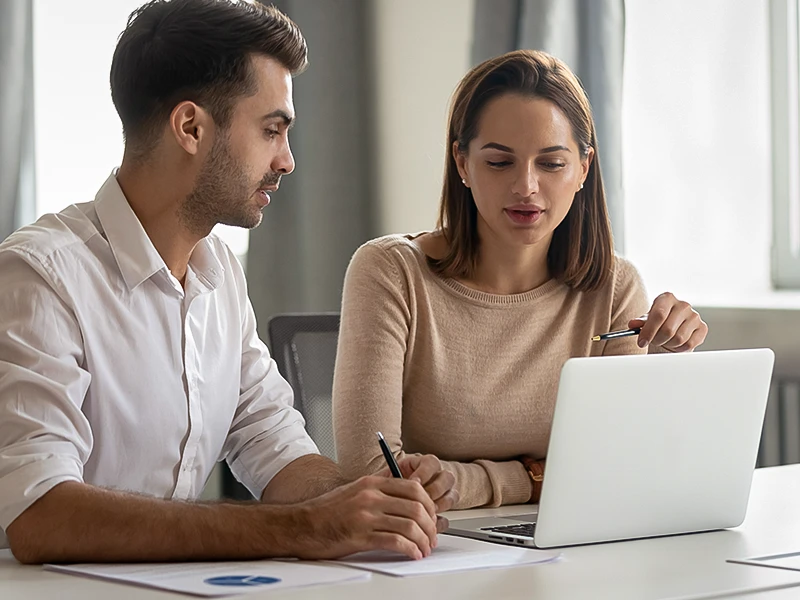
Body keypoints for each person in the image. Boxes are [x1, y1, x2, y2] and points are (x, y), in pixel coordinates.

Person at [0, 0, 456, 565]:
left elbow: (275, 445)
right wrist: (304, 527)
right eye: (271, 131)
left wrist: (368, 501)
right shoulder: (39, 277)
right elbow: (40, 516)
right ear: (191, 126)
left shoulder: (218, 273)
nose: (287, 160)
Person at [332, 49, 709, 510]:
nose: (526, 187)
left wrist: (474, 482)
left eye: (551, 164)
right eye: (499, 162)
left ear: (583, 169)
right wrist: (540, 476)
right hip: (432, 546)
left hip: (569, 544)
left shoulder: (614, 287)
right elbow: (368, 474)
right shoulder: (391, 272)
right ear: (463, 164)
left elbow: (616, 467)